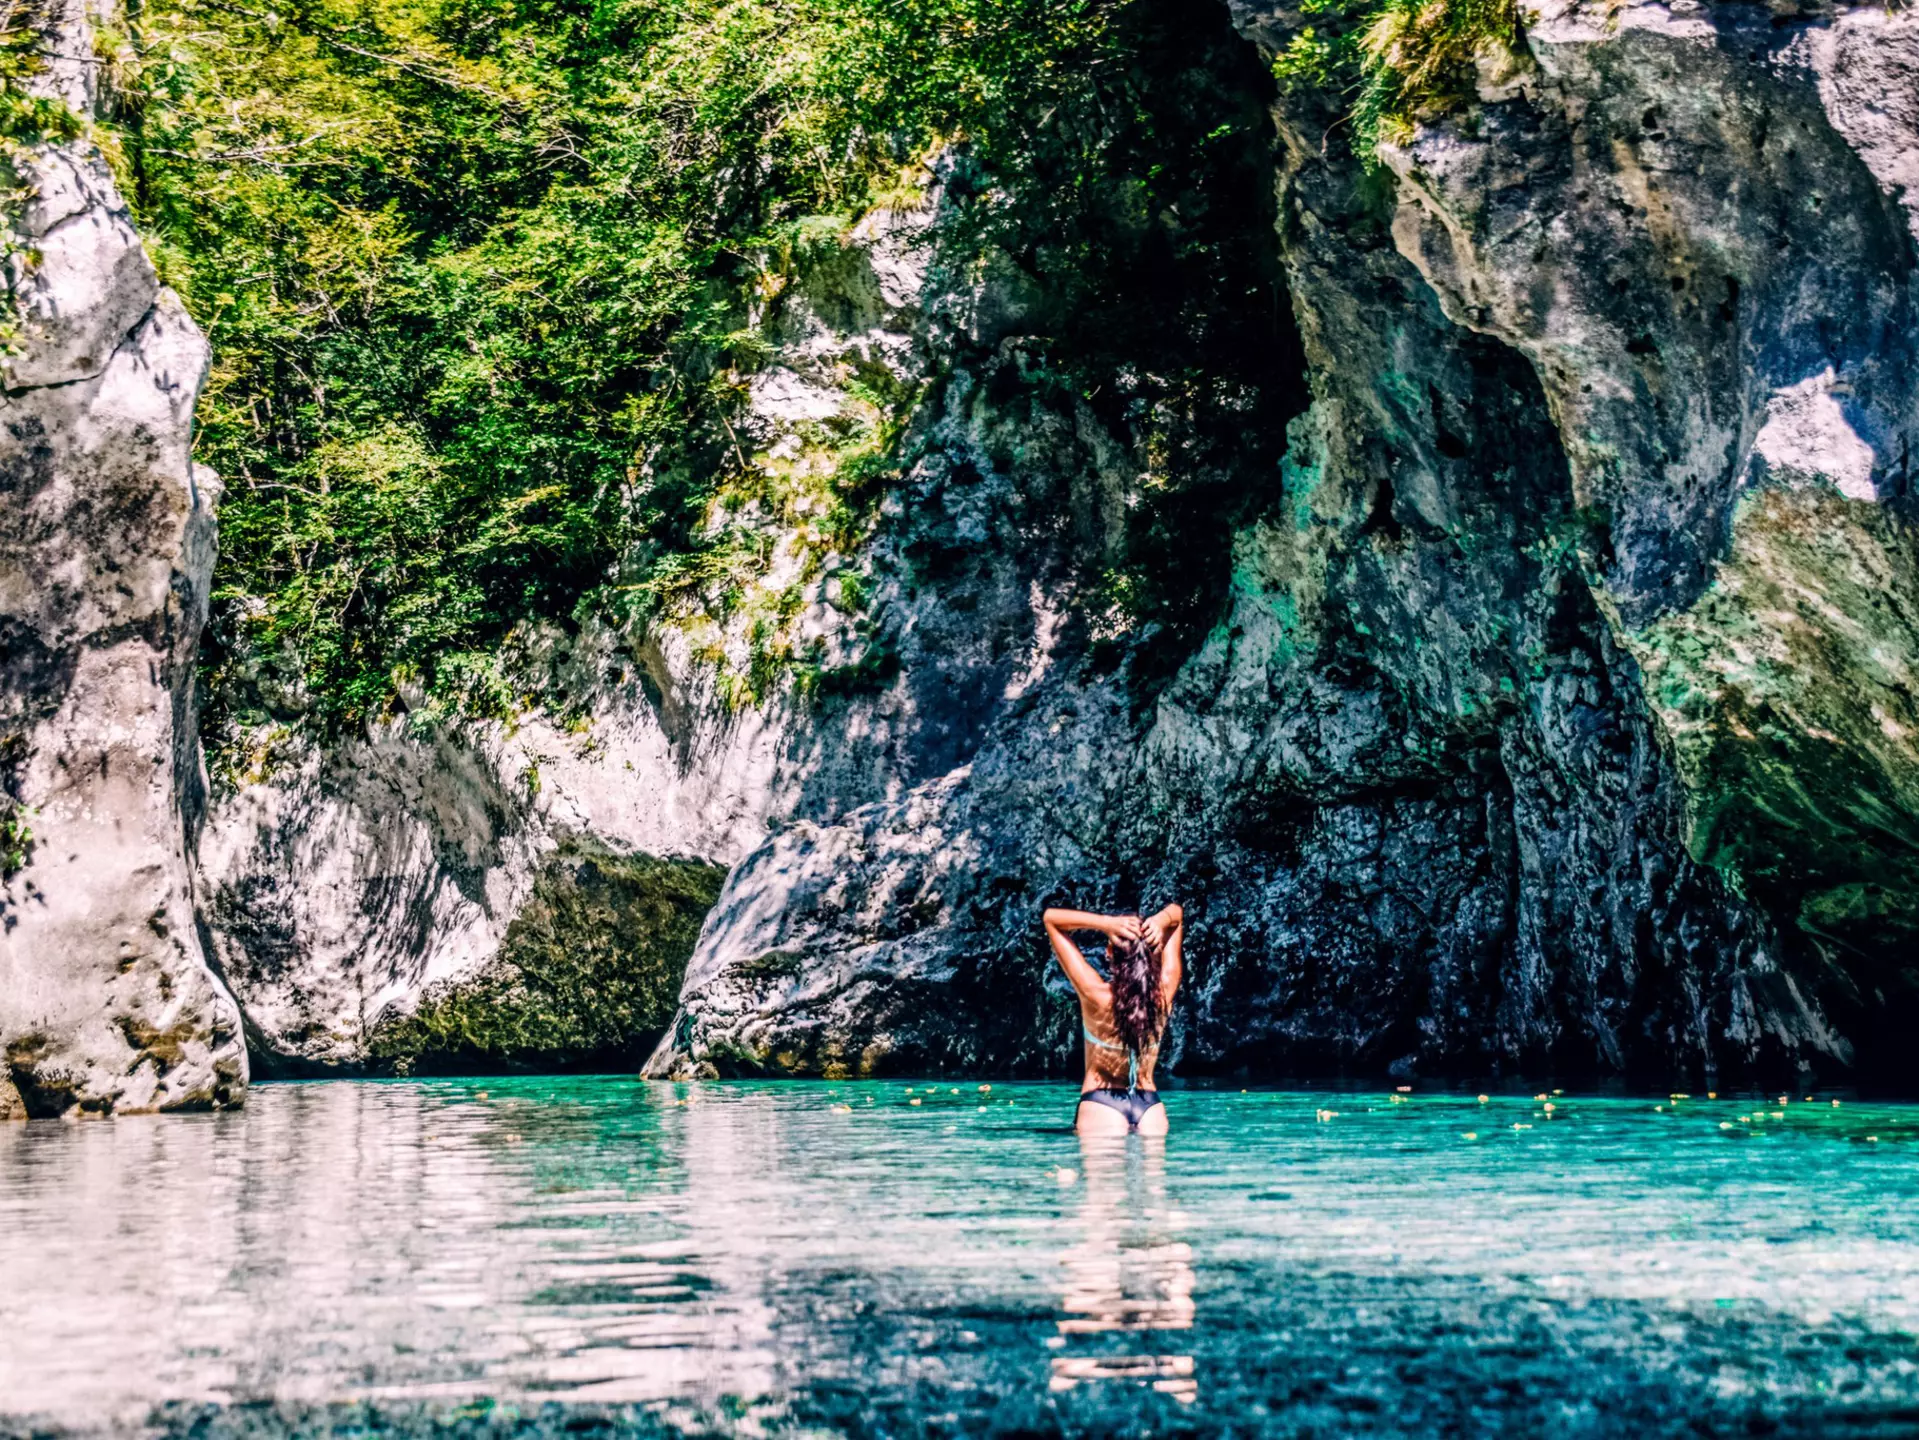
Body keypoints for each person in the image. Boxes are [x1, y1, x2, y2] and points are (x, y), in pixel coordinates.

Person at [1041, 904, 1184, 1135]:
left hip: (1101, 1103)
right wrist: (1160, 920)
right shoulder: (1164, 995)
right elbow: (1177, 916)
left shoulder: (1097, 995)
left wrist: (1105, 923)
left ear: (1109, 952)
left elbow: (1051, 919)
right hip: (1150, 1106)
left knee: (1100, 1173)